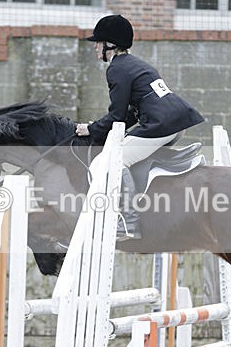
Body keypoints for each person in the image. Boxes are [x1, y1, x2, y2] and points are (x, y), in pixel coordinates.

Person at [75, 14, 205, 241]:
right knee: (127, 149)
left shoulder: (117, 69)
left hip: (161, 124)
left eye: (98, 42)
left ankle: (128, 222)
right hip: (176, 121)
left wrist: (92, 129)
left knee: (109, 161)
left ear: (110, 44)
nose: (96, 47)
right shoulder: (136, 64)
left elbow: (116, 116)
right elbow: (129, 115)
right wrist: (99, 128)